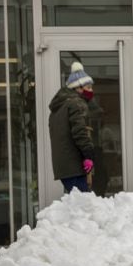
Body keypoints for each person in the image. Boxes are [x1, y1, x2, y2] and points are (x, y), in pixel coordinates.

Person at [48, 61, 96, 194]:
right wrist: (88, 156)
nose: (91, 91)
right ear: (78, 88)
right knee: (82, 206)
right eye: (88, 87)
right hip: (75, 166)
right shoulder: (76, 104)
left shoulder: (58, 108)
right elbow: (80, 132)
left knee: (74, 205)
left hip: (64, 167)